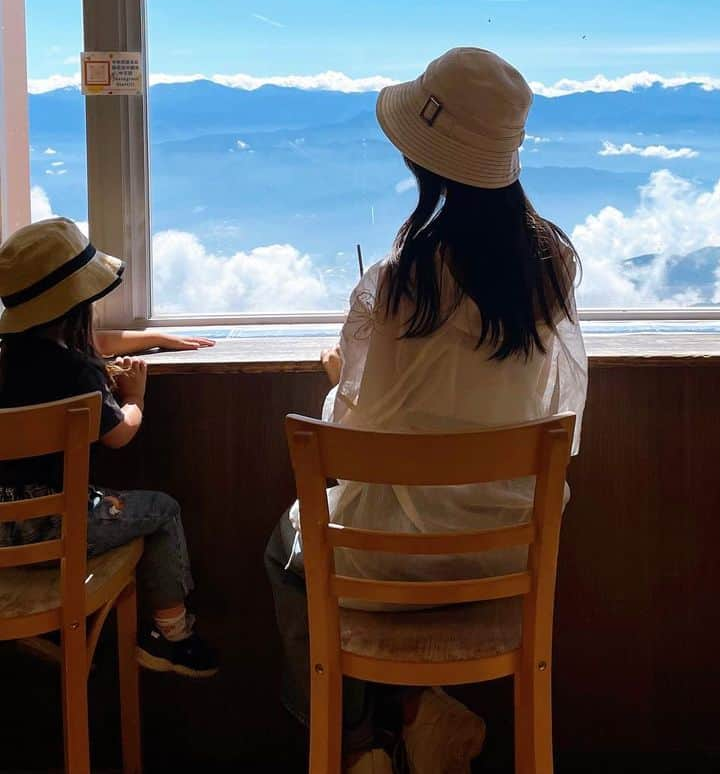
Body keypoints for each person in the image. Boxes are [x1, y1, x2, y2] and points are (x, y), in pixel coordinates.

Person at [265, 47, 588, 774]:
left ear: (427, 163)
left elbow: (356, 432)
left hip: (386, 570)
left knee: (291, 555)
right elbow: (556, 408)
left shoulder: (399, 281)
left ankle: (358, 746)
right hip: (512, 550)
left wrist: (339, 376)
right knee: (383, 530)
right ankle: (418, 715)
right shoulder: (551, 268)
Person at [0, 217, 218, 677]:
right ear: (79, 306)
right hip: (56, 529)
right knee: (162, 510)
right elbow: (121, 435)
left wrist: (153, 337)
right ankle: (172, 636)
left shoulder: (7, 360)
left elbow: (90, 343)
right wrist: (135, 397)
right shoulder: (78, 376)